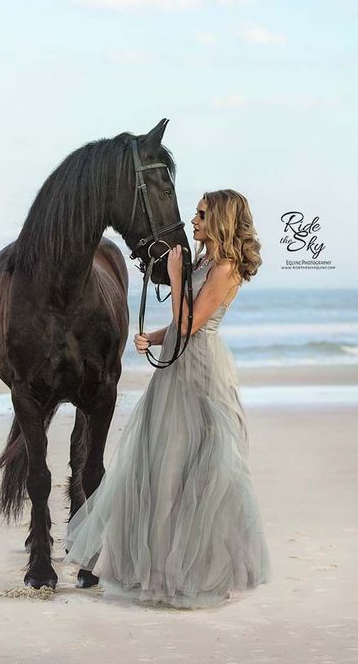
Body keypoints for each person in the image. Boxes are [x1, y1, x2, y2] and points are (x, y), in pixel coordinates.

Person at [63, 189, 271, 609]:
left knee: (195, 468)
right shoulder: (207, 261)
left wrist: (176, 275)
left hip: (199, 374)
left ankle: (193, 573)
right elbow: (183, 320)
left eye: (200, 214)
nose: (192, 221)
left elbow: (192, 322)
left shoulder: (227, 267)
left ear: (220, 220)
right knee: (160, 467)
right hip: (176, 368)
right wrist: (154, 337)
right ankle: (158, 572)